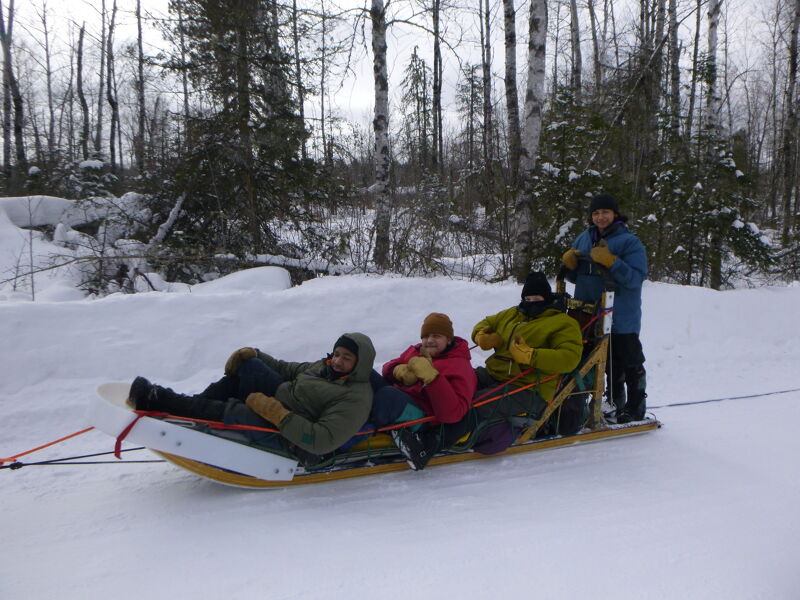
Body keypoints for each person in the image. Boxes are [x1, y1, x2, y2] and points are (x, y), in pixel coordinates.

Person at [127, 332, 376, 462]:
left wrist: (278, 414)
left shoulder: (355, 398)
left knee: (238, 410)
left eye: (347, 358)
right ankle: (192, 410)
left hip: (287, 429)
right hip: (278, 399)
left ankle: (161, 400)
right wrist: (253, 353)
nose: (338, 361)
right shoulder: (324, 367)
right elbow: (287, 369)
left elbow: (323, 440)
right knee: (250, 368)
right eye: (337, 353)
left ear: (359, 363)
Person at [561, 193, 648, 423]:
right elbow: (576, 276)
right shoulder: (583, 238)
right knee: (601, 363)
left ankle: (635, 408)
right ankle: (612, 404)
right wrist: (569, 267)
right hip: (589, 314)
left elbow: (635, 279)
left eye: (605, 212)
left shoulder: (630, 242)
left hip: (620, 315)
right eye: (596, 213)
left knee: (627, 362)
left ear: (615, 214)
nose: (600, 217)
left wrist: (612, 262)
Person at [377, 313, 477, 469]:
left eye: (436, 336)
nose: (429, 340)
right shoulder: (417, 351)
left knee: (386, 396)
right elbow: (387, 368)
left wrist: (433, 379)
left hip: (422, 417)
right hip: (401, 399)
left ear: (448, 339)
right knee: (367, 377)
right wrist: (398, 371)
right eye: (426, 336)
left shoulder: (460, 366)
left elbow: (454, 414)